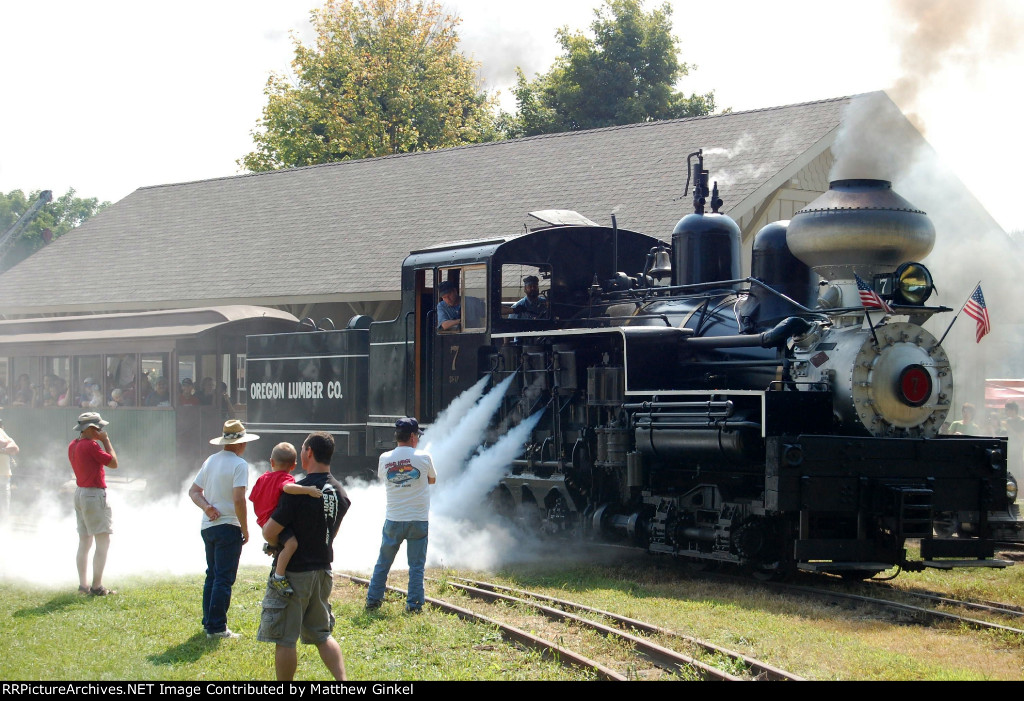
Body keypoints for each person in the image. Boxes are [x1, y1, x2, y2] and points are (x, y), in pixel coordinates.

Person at [258, 431, 350, 681]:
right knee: (322, 634)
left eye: (302, 449)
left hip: (294, 573)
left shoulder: (296, 489)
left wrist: (274, 540)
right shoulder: (341, 493)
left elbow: (270, 532)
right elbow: (330, 534)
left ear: (309, 452)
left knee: (286, 639)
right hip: (323, 571)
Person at [188, 419, 257, 638]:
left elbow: (194, 491)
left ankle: (209, 622)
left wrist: (207, 508)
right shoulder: (239, 464)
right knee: (224, 578)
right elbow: (239, 499)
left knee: (212, 575)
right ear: (240, 444)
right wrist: (245, 528)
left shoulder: (210, 460)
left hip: (208, 526)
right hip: (228, 525)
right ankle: (217, 627)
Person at [365, 417, 436, 613]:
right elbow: (432, 479)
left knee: (383, 562)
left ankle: (373, 600)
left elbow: (385, 478)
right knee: (416, 566)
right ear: (413, 437)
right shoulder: (424, 457)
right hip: (418, 519)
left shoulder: (384, 458)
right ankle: (414, 606)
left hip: (394, 518)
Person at [248, 442, 323, 596]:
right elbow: (288, 488)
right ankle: (279, 576)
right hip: (276, 522)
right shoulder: (286, 478)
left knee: (280, 543)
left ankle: (272, 546)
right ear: (294, 465)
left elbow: (253, 497)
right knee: (291, 544)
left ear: (271, 462)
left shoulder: (262, 478)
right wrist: (308, 490)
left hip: (263, 521)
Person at [68, 411, 118, 596]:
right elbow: (113, 463)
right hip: (93, 495)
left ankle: (83, 586)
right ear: (90, 429)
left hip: (80, 493)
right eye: (99, 428)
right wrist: (106, 441)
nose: (102, 431)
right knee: (103, 540)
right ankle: (97, 587)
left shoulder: (73, 445)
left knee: (84, 541)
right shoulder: (91, 445)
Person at [0, 417, 19, 522]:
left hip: (3, 476)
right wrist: (6, 445)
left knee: (4, 511)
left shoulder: (1, 432)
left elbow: (15, 448)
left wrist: (2, 449)